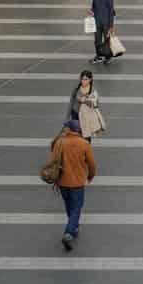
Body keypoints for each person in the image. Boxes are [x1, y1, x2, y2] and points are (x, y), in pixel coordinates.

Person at [49, 118, 96, 250]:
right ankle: (68, 233)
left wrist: (60, 136)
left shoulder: (60, 142)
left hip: (62, 182)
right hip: (77, 182)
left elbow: (52, 157)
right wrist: (90, 175)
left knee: (69, 206)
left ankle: (73, 227)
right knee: (76, 208)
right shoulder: (84, 143)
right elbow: (91, 164)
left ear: (68, 129)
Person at [68, 70, 106, 140]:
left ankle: (86, 149)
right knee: (76, 134)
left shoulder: (93, 91)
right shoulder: (76, 88)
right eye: (82, 79)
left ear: (90, 80)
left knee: (86, 135)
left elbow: (96, 105)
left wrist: (89, 101)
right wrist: (67, 117)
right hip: (75, 114)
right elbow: (71, 101)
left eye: (86, 79)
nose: (83, 81)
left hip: (86, 116)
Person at [90, 0, 115, 64]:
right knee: (97, 40)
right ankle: (99, 56)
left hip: (106, 24)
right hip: (96, 23)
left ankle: (108, 57)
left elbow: (111, 13)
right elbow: (93, 8)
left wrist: (111, 26)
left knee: (107, 40)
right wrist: (91, 11)